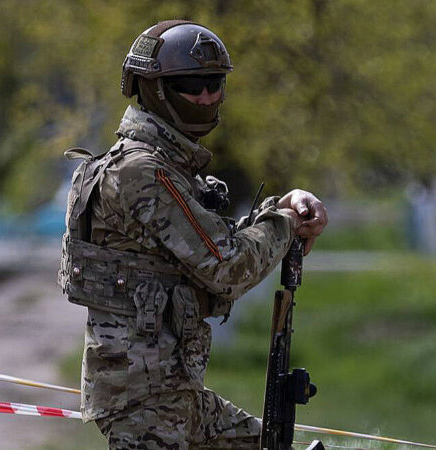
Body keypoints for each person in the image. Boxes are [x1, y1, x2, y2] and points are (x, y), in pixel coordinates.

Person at [57, 20, 327, 449]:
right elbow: (228, 267)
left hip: (173, 393)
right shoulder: (142, 173)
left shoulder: (168, 167)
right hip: (144, 402)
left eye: (214, 83)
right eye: (189, 84)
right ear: (152, 89)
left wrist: (283, 206)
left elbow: (212, 247)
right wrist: (286, 222)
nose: (205, 97)